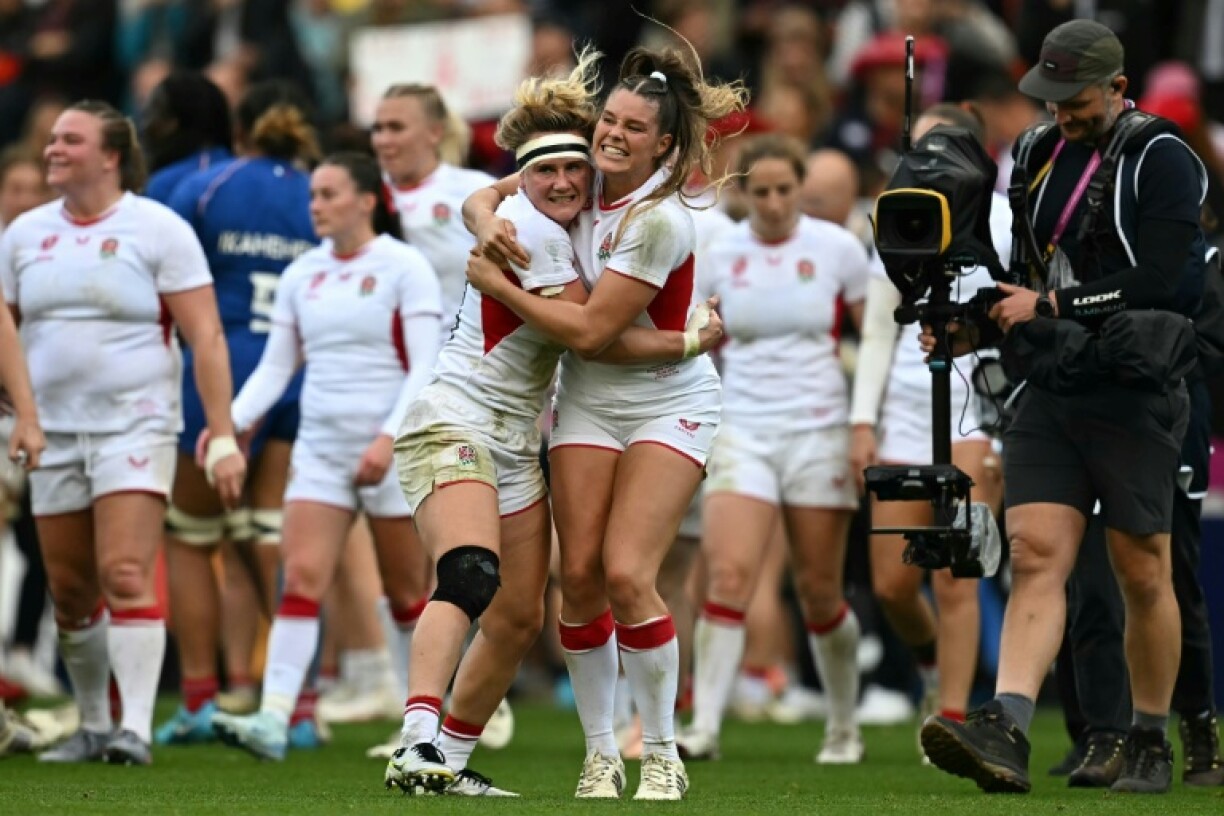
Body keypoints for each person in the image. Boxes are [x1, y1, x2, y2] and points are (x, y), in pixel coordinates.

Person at [384, 47, 725, 798]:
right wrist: (483, 216)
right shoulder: (533, 224)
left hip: (583, 417)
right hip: (461, 417)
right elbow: (500, 209)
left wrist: (686, 344)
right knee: (474, 573)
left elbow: (590, 330)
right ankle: (417, 742)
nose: (571, 174)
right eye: (611, 121)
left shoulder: (646, 213)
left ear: (663, 144)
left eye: (632, 128)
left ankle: (456, 759)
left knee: (521, 616)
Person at [920, 20, 1212, 795]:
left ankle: (1149, 735)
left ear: (1118, 88)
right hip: (1052, 381)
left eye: (1075, 100)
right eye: (1050, 98)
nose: (1061, 113)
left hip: (1134, 383)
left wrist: (1053, 304)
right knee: (1036, 552)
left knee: (1141, 567)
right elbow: (1029, 274)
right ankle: (1007, 725)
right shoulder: (1036, 153)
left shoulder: (1163, 156)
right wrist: (974, 324)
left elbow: (1163, 281)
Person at [1, 99, 245, 765]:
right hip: (52, 432)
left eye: (70, 140)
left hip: (135, 426)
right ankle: (92, 724)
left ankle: (133, 729)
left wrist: (221, 433)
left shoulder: (157, 228)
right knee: (71, 589)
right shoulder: (24, 235)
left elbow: (205, 335)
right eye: (52, 139)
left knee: (125, 570)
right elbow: (5, 325)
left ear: (111, 156)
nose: (53, 149)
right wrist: (24, 414)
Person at [207, 150, 441, 762]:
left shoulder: (404, 266)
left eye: (329, 194)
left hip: (393, 448)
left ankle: (421, 728)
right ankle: (273, 719)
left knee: (406, 593)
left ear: (367, 201)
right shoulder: (301, 273)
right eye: (313, 195)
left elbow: (426, 363)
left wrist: (389, 437)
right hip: (321, 448)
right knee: (301, 577)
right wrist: (228, 425)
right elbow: (276, 367)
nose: (316, 205)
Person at [677, 133, 869, 764]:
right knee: (729, 575)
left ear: (800, 187)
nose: (774, 202)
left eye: (785, 189)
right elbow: (695, 337)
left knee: (819, 590)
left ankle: (843, 725)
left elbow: (874, 340)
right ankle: (705, 726)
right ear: (743, 194)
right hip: (742, 426)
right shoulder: (720, 253)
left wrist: (864, 424)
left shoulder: (838, 249)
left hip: (819, 427)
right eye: (760, 192)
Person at [154, 81, 318, 746]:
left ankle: (201, 699)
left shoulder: (202, 187)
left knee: (193, 535)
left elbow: (158, 275)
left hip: (219, 374)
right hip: (297, 374)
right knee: (269, 530)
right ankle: (297, 704)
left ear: (241, 129)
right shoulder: (320, 190)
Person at [849, 103, 1009, 748]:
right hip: (907, 406)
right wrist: (862, 420)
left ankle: (952, 718)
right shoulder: (898, 217)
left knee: (956, 569)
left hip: (979, 409)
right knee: (892, 584)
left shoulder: (1007, 218)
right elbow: (877, 329)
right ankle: (929, 667)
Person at [373, 83, 495, 336]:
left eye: (396, 128)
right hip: (385, 355)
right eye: (378, 129)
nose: (383, 140)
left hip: (461, 350)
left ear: (435, 132)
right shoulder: (360, 196)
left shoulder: (476, 191)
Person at [140, 70, 233, 205]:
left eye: (151, 113)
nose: (144, 126)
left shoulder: (164, 186)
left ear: (172, 123)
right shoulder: (245, 169)